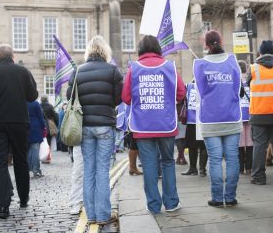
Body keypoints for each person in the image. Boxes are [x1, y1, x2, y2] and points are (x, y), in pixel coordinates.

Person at [122, 35, 186, 214]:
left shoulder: (133, 69)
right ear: (158, 48)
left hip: (142, 125)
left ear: (140, 49)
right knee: (167, 161)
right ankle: (172, 203)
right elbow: (181, 94)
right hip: (166, 123)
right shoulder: (170, 67)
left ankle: (153, 206)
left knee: (149, 165)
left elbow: (126, 98)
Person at [67, 35, 123, 225]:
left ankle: (90, 215)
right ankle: (103, 215)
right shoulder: (113, 71)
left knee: (89, 170)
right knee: (102, 171)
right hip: (105, 126)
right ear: (105, 51)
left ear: (88, 51)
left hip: (85, 127)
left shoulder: (77, 72)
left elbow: (70, 97)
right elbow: (118, 99)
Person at [194, 30, 242, 207]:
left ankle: (216, 197)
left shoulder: (199, 65)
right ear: (221, 41)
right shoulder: (232, 60)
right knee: (232, 158)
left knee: (214, 160)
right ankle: (230, 198)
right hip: (231, 116)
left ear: (205, 45)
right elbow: (237, 88)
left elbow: (201, 91)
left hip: (210, 118)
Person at [0, 43, 38, 219]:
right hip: (20, 121)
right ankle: (23, 198)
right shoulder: (23, 71)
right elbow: (32, 96)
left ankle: (3, 206)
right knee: (21, 160)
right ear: (12, 56)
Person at [247, 40, 273, 185]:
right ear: (272, 52)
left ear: (260, 52)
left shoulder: (253, 69)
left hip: (259, 113)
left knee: (259, 145)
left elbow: (247, 86)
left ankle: (258, 177)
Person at [181, 81, 208, 177]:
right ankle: (197, 169)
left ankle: (199, 169)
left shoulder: (192, 85)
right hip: (195, 120)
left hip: (200, 119)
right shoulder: (190, 85)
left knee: (201, 145)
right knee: (196, 146)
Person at [238, 60, 253, 174]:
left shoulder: (235, 81)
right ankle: (249, 168)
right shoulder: (250, 81)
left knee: (239, 143)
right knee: (250, 143)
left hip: (238, 115)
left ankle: (240, 168)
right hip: (250, 113)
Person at [27, 100, 46, 178]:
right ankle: (36, 170)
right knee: (35, 150)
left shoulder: (21, 101)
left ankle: (27, 169)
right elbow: (40, 116)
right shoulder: (35, 103)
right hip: (35, 127)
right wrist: (43, 126)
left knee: (27, 150)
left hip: (24, 127)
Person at [69, 145, 84, 215]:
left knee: (98, 171)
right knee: (78, 172)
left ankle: (97, 203)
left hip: (99, 138)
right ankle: (76, 202)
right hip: (80, 141)